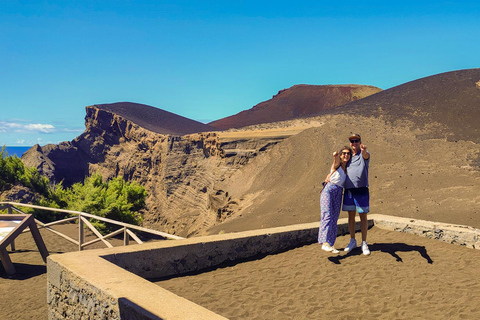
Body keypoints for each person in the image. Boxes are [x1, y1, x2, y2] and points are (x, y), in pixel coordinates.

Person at [318, 146, 353, 253]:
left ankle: (330, 243)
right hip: (329, 190)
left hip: (339, 193)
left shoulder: (348, 168)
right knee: (327, 214)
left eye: (348, 153)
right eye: (344, 153)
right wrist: (335, 156)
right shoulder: (337, 165)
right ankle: (324, 242)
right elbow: (336, 162)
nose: (346, 155)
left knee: (334, 218)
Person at [343, 133, 371, 255]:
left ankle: (364, 242)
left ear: (360, 142)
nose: (354, 143)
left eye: (356, 141)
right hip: (349, 190)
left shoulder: (363, 154)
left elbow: (366, 155)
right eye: (352, 141)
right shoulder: (347, 156)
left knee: (363, 216)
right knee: (351, 216)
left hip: (361, 189)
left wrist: (364, 151)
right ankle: (352, 240)